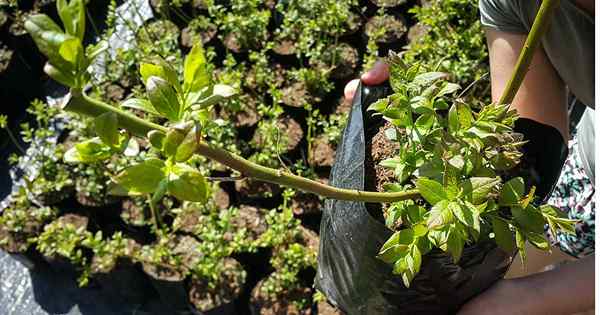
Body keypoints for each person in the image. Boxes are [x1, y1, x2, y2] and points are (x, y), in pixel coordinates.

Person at [344, 0, 595, 314]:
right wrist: (410, 115)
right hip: (584, 176)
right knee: (522, 250)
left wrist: (533, 298)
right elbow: (525, 143)